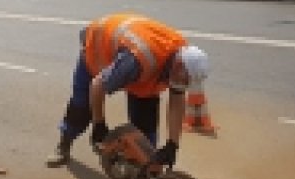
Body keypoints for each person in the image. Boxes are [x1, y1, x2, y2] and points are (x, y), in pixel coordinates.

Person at [46, 13, 209, 168]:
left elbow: (176, 100)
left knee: (146, 124)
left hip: (142, 67)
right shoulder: (136, 60)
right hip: (97, 47)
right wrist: (99, 124)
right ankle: (64, 145)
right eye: (182, 80)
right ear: (178, 66)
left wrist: (173, 144)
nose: (181, 84)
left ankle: (144, 170)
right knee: (82, 106)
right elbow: (97, 86)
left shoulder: (185, 58)